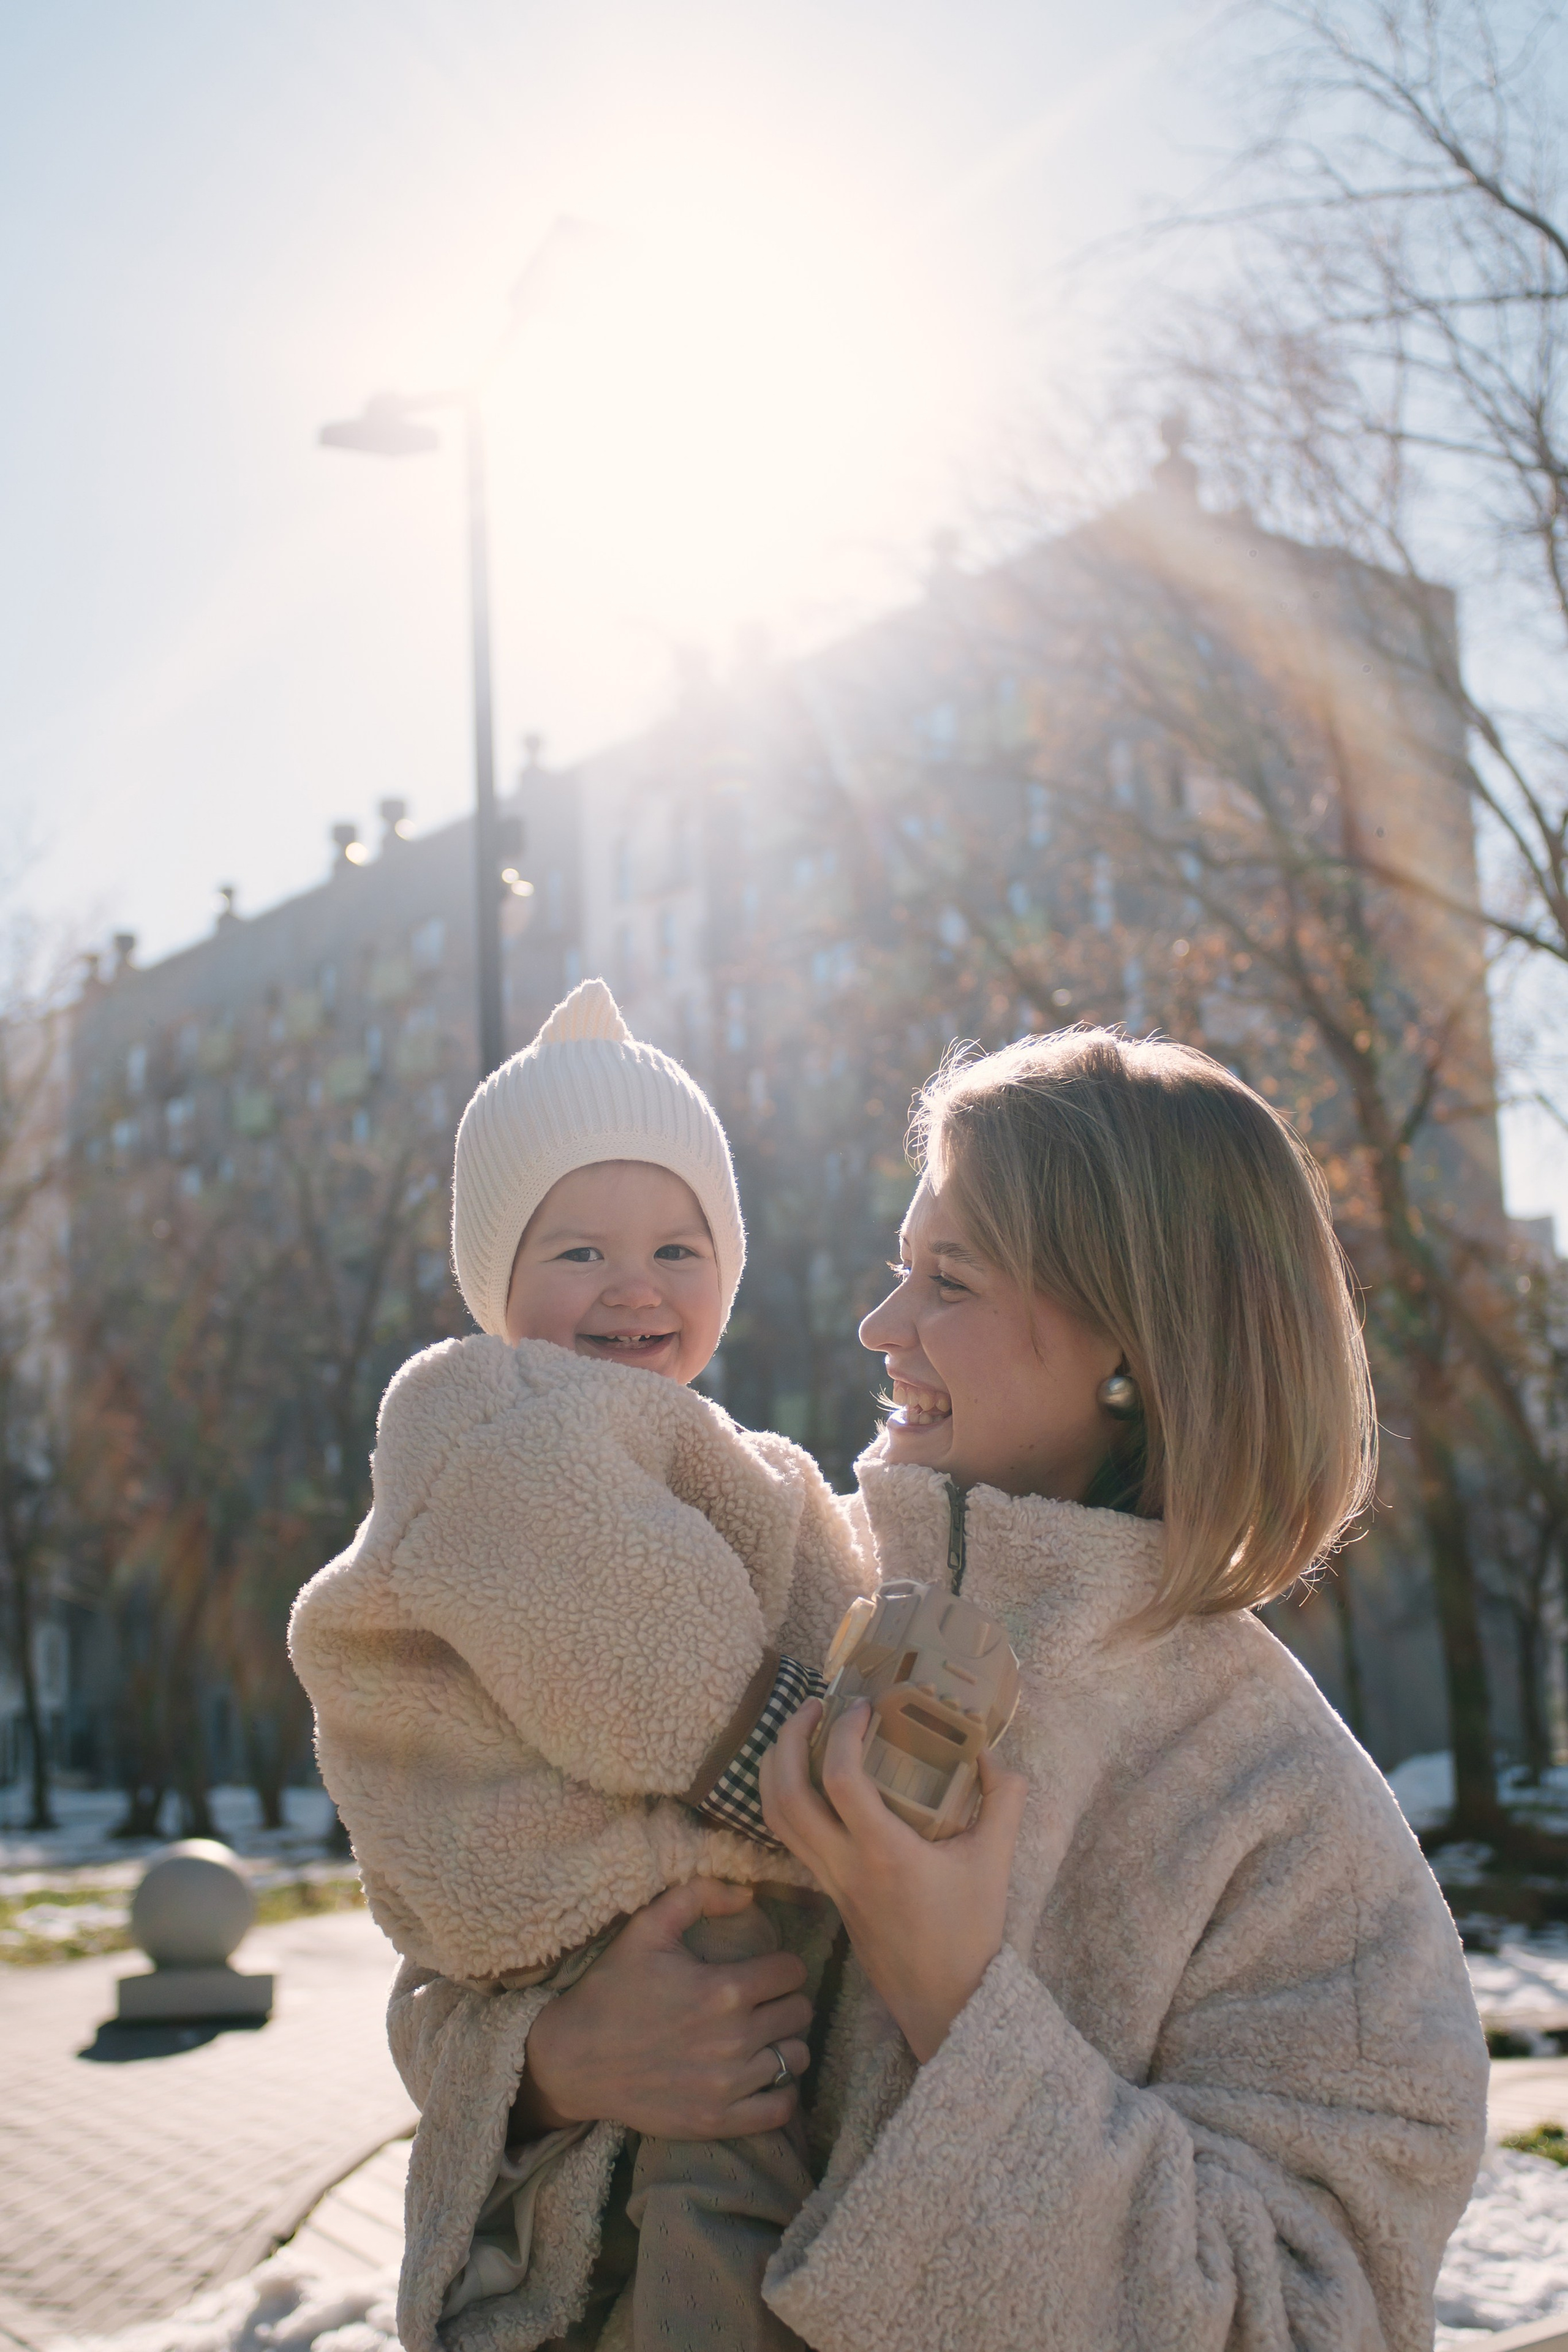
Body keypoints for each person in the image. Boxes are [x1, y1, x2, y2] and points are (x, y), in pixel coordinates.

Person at [388, 1027, 1488, 2352]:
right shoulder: (782, 1605)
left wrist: (953, 1990)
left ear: (1136, 1339)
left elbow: (1320, 2325)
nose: (878, 1325)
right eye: (898, 1268)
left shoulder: (1285, 1822)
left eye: (946, 1280)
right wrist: (552, 2069)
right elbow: (483, 1906)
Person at [290, 978, 872, 2352]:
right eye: (577, 1253)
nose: (633, 1287)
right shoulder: (483, 1412)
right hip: (623, 2011)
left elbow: (835, 1606)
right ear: (495, 1285)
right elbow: (641, 1647)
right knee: (688, 2271)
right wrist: (814, 1772)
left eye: (680, 1248)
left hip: (747, 2014)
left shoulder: (756, 1471)